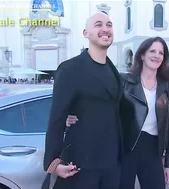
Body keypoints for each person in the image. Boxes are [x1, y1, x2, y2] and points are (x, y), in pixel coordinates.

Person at [66, 37, 169, 189]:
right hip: (125, 150)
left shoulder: (167, 86)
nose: (157, 55)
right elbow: (100, 106)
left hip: (153, 151)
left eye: (161, 53)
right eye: (152, 51)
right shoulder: (123, 81)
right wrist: (71, 115)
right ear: (142, 55)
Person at [43, 12, 123, 189]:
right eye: (98, 24)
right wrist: (53, 162)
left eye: (109, 25)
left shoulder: (114, 71)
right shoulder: (70, 69)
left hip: (112, 166)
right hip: (80, 166)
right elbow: (56, 118)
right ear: (86, 33)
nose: (105, 29)